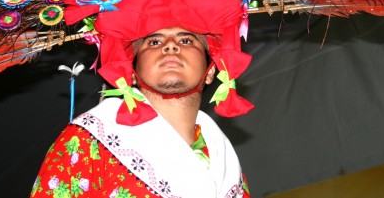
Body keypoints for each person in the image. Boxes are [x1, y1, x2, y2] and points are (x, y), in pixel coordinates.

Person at [30, 27, 251, 197]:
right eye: (154, 42)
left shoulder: (224, 158)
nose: (171, 46)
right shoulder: (90, 138)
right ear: (132, 73)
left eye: (186, 40)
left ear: (211, 70)